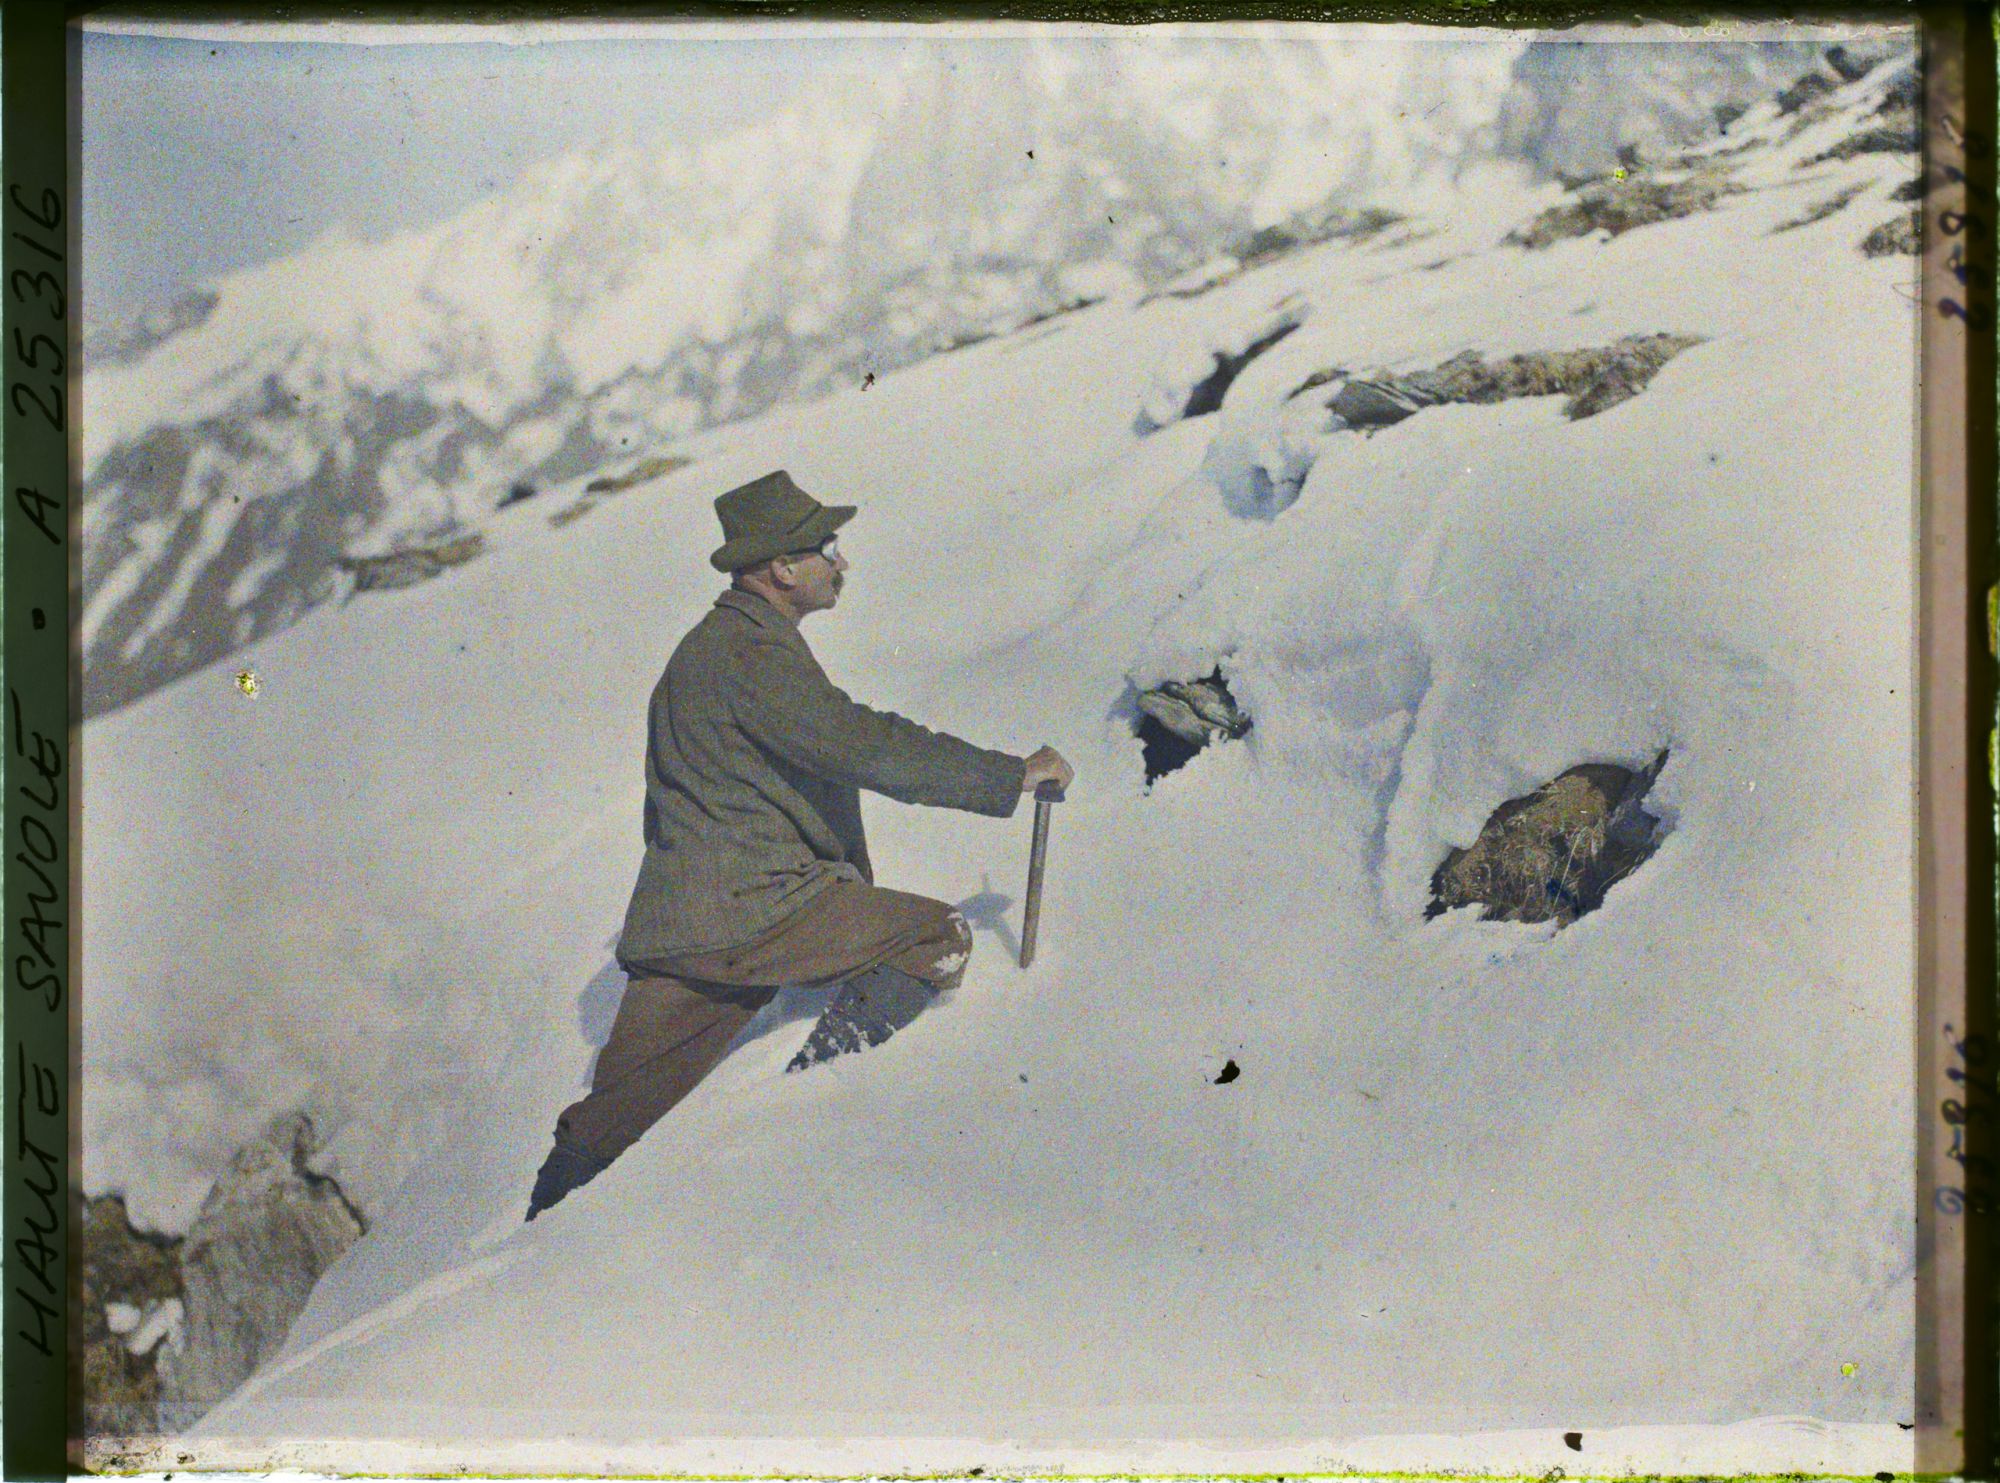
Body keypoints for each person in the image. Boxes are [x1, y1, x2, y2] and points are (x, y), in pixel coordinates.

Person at [526, 469, 1073, 1219]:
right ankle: (812, 1107)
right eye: (827, 547)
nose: (840, 562)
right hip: (758, 912)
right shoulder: (752, 656)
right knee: (932, 936)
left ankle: (527, 1245)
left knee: (608, 1122)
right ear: (783, 568)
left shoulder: (707, 651)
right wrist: (1008, 776)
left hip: (680, 931)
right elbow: (864, 746)